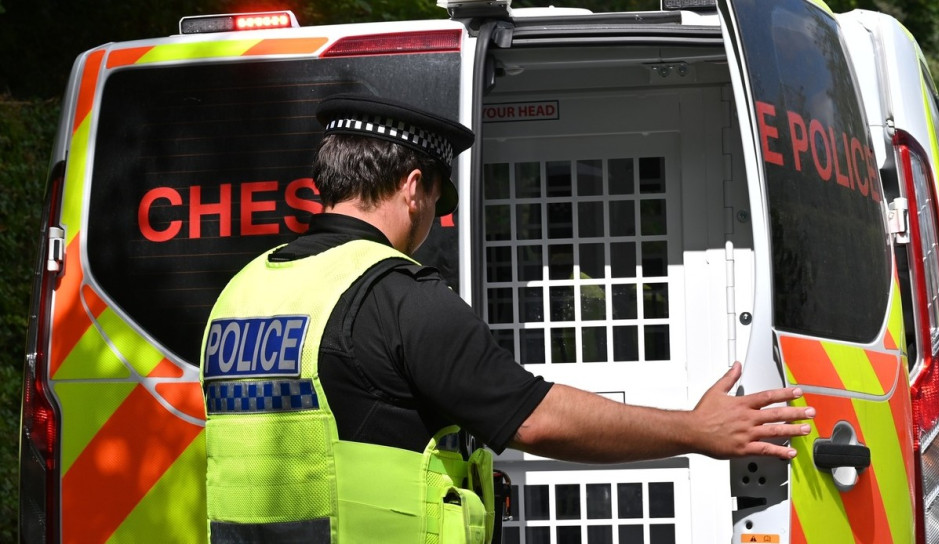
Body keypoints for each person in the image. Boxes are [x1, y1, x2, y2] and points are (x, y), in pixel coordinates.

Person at [199, 94, 815, 544]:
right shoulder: (397, 296)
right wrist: (696, 430)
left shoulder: (243, 290)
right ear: (413, 187)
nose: (434, 217)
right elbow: (537, 420)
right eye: (438, 199)